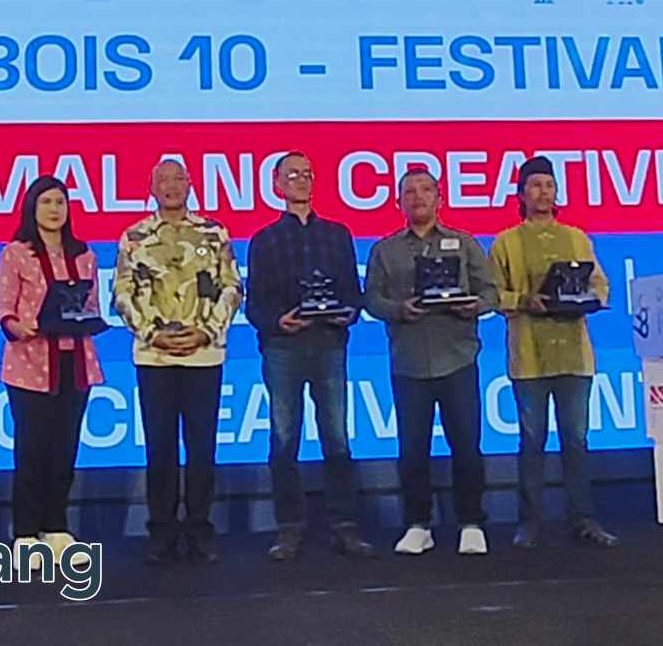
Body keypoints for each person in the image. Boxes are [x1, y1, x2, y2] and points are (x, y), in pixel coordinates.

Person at [246, 152, 375, 561]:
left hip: (329, 344)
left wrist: (347, 312)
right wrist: (277, 321)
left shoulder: (337, 234)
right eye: (292, 175)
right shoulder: (264, 240)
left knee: (337, 437)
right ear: (276, 184)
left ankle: (345, 526)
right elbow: (254, 304)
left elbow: (353, 293)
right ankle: (289, 528)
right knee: (284, 439)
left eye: (307, 174)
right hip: (283, 347)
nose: (301, 181)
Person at [113, 160, 242, 564]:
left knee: (202, 448)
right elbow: (122, 293)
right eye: (163, 180)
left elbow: (232, 287)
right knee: (160, 448)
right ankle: (162, 531)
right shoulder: (135, 237)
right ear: (151, 188)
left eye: (178, 179)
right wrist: (153, 333)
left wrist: (206, 331)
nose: (171, 186)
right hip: (154, 357)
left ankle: (201, 528)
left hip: (204, 356)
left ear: (190, 185)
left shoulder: (214, 233)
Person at [365, 165, 498, 556]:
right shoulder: (385, 250)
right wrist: (398, 309)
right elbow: (371, 299)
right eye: (410, 192)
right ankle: (417, 523)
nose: (418, 197)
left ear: (440, 199)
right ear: (398, 202)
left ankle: (471, 521)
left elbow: (491, 292)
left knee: (467, 445)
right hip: (408, 362)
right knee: (412, 449)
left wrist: (474, 306)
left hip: (458, 358)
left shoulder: (465, 243)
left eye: (426, 190)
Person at [490, 155, 619, 549]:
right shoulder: (506, 241)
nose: (543, 192)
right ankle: (529, 522)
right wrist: (524, 301)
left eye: (548, 185)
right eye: (535, 185)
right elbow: (491, 294)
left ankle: (584, 518)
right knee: (532, 441)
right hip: (529, 356)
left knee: (576, 440)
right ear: (521, 194)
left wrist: (590, 300)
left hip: (574, 356)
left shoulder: (577, 238)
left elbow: (601, 285)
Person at [0, 176, 106, 571]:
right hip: (29, 366)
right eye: (46, 202)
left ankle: (56, 526)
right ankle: (26, 532)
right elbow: (5, 309)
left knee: (65, 449)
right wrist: (18, 325)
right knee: (32, 450)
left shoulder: (84, 255)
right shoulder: (16, 253)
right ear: (32, 208)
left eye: (60, 202)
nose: (54, 209)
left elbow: (91, 305)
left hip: (75, 365)